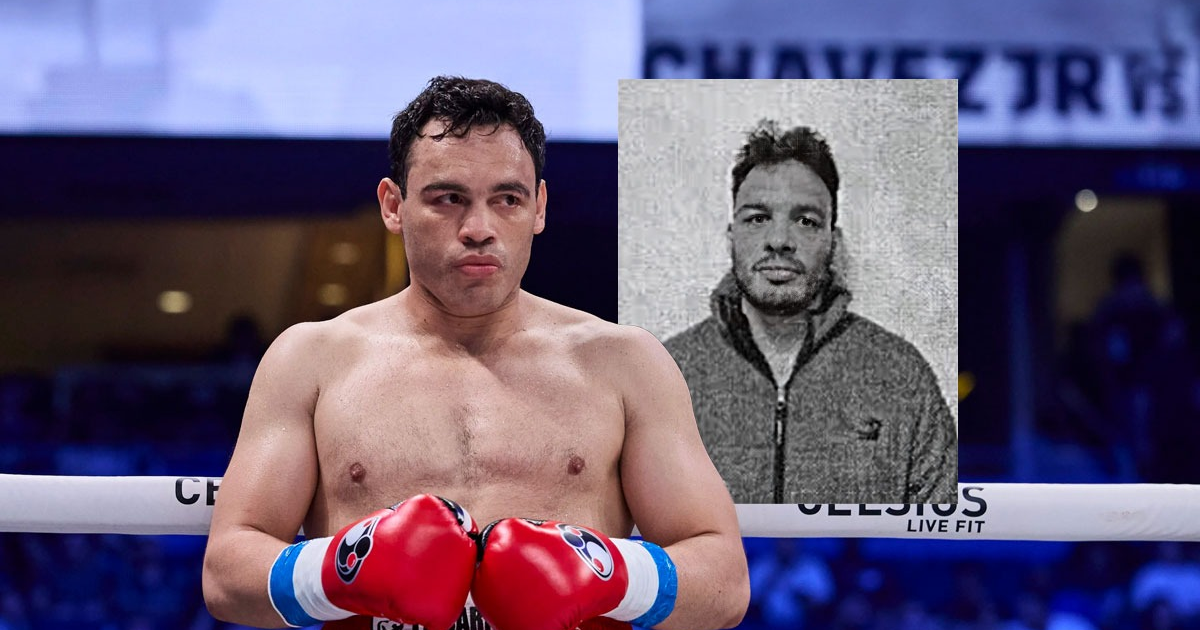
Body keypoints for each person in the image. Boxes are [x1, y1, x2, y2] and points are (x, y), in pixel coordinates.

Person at [201, 76, 749, 630]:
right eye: (449, 199)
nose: (479, 229)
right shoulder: (311, 361)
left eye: (507, 199)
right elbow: (227, 574)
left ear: (538, 208)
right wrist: (338, 571)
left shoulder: (623, 363)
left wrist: (611, 574)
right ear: (393, 206)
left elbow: (723, 580)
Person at [663, 120, 957, 504]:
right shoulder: (667, 373)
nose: (780, 241)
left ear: (832, 241)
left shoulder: (900, 374)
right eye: (757, 218)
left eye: (805, 221)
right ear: (731, 235)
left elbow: (941, 539)